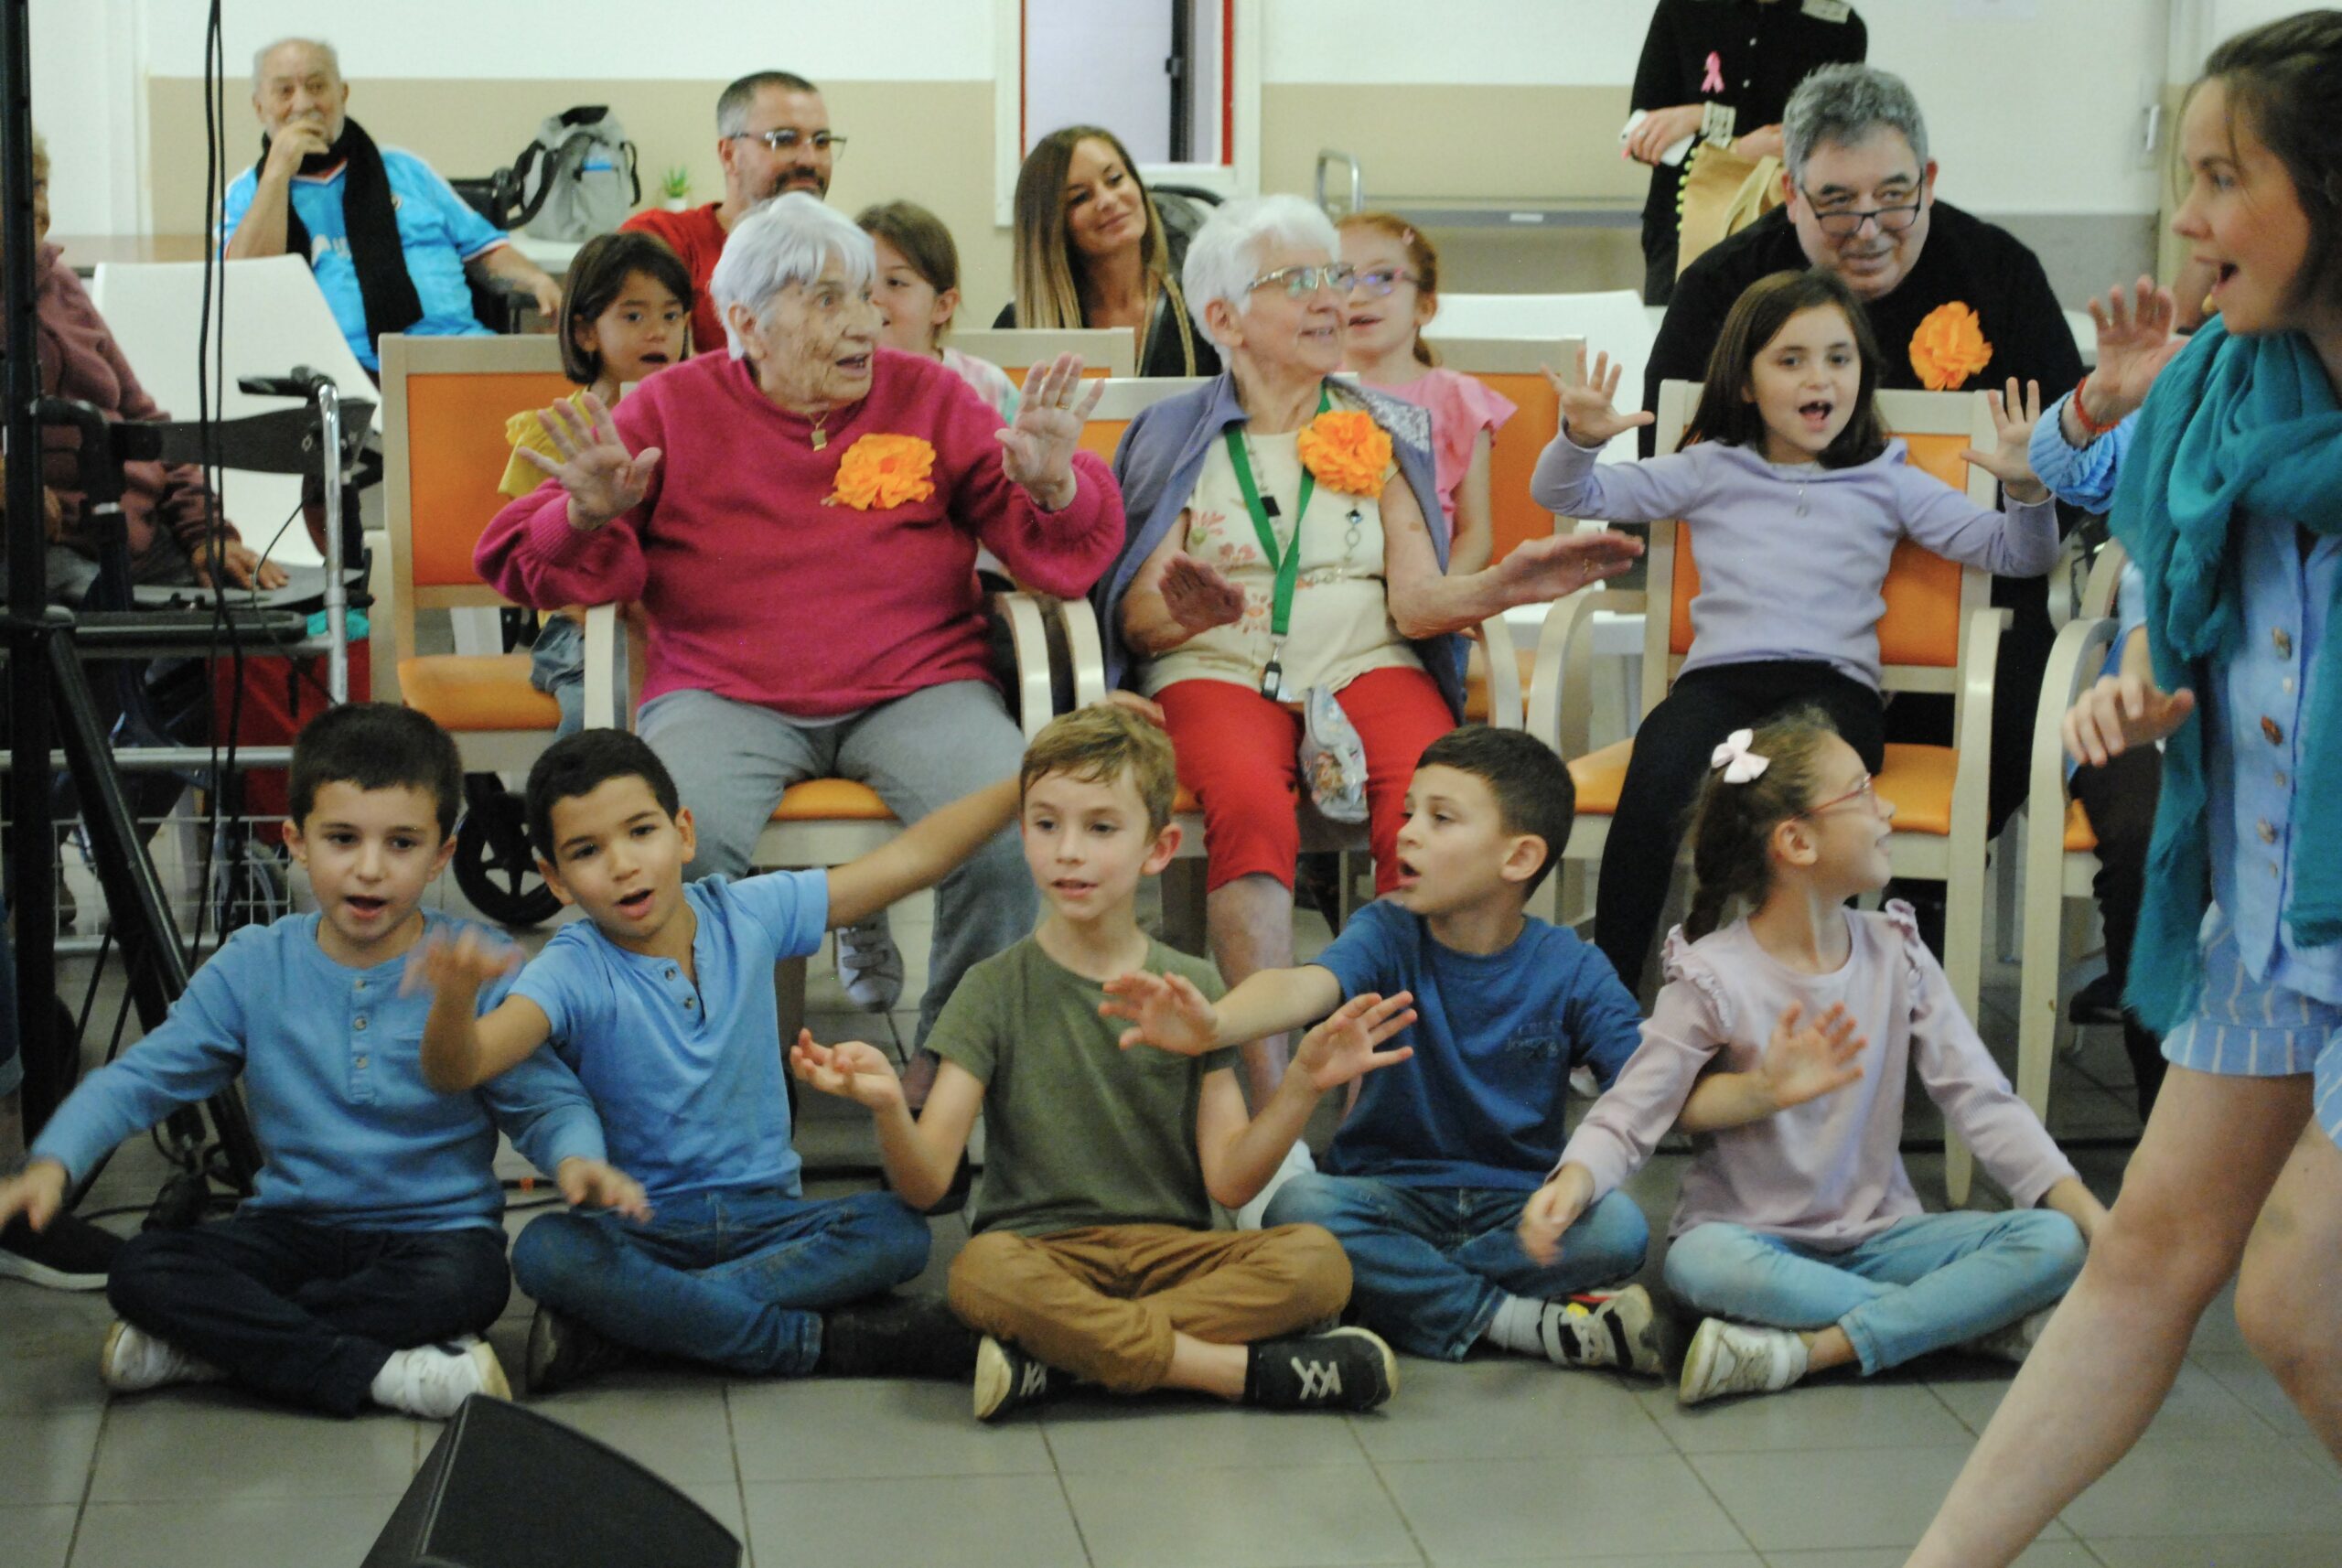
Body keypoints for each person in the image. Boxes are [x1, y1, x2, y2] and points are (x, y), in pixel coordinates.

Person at [1907, 17, 2342, 1562]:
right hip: (2276, 900)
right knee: (2150, 1248)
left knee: (2294, 1291)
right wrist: (2147, 661)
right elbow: (2148, 528)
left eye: (2227, 179)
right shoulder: (2226, 389)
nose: (2190, 221)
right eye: (2186, 176)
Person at [476, 194, 1123, 1093]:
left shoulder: (930, 395)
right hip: (720, 690)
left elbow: (1056, 554)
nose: (864, 323)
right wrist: (586, 513)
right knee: (664, 854)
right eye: (827, 301)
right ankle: (704, 1093)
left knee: (1020, 833)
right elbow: (516, 554)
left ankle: (952, 1076)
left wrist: (1055, 485)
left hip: (919, 687)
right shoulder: (668, 407)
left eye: (866, 295)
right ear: (744, 322)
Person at [1093, 194, 1643, 1101]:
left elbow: (1419, 601)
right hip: (1218, 667)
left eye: (1333, 277)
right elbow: (1136, 620)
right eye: (1296, 281)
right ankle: (1271, 1093)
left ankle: (1401, 1091)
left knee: (1434, 808)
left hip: (1367, 661)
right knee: (1248, 806)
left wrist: (1509, 582)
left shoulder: (1383, 426)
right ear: (1222, 316)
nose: (1329, 300)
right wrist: (1178, 615)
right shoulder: (1174, 434)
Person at [0, 705, 645, 1416]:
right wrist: (54, 1162)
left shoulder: (473, 964)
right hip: (288, 1231)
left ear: (440, 854)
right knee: (140, 1270)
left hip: (435, 1238)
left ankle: (217, 1346)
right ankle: (381, 1373)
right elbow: (141, 1078)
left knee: (471, 1287)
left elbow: (543, 1099)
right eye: (342, 838)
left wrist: (579, 1158)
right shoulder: (254, 964)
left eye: (402, 843)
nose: (369, 869)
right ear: (296, 840)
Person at [790, 703, 1404, 1421]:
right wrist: (891, 1107)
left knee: (1318, 1264)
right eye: (1046, 825)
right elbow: (928, 1187)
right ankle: (1232, 1371)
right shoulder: (990, 988)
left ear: (1160, 846)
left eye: (1101, 827)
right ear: (1022, 834)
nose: (1068, 851)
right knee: (979, 1274)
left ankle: (1060, 1359)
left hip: (1178, 1255)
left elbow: (1232, 1182)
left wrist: (1298, 1085)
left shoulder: (1193, 989)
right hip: (1039, 1256)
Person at [411, 727, 1032, 1394]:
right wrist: (454, 998)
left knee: (900, 1232)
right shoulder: (570, 968)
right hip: (640, 1229)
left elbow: (914, 859)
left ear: (683, 833)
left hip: (769, 1217)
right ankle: (814, 1342)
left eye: (640, 832)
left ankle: (634, 1325)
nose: (622, 864)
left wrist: (1029, 783)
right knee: (544, 1251)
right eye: (587, 852)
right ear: (556, 880)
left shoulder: (749, 911)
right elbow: (462, 1067)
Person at [1525, 709, 2106, 1407]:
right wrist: (1577, 1178)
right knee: (1697, 1265)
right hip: (1749, 1242)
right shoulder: (1712, 973)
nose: (1886, 806)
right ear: (1796, 841)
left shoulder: (1898, 951)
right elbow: (1633, 1108)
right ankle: (1960, 1325)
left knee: (2052, 1242)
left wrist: (2086, 1215)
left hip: (1886, 1237)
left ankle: (1814, 1349)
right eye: (1862, 793)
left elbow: (1981, 1098)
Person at [1533, 270, 2056, 994]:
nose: (1821, 379)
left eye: (1839, 359)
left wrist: (2028, 490)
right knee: (1655, 778)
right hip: (1719, 684)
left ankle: (1794, 1000)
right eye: (1791, 360)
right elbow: (1567, 493)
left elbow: (2017, 554)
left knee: (1801, 797)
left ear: (1863, 375)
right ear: (1745, 383)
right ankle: (1611, 1009)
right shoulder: (1710, 467)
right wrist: (1578, 440)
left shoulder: (1887, 475)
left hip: (1832, 692)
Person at [1103, 725, 1662, 1375]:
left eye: (1441, 818)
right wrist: (1216, 1025)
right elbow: (1303, 987)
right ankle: (1517, 1321)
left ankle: (1396, 1294)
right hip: (1382, 1197)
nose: (1407, 834)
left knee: (1620, 1227)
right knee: (1303, 1209)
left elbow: (1648, 1081)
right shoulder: (1386, 930)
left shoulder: (1572, 966)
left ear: (1518, 858)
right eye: (1408, 814)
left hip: (1515, 1206)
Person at [1645, 64, 2085, 837]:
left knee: (2024, 683)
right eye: (1837, 204)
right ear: (1790, 191)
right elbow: (1667, 450)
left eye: (1894, 196)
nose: (1871, 228)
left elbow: (2071, 465)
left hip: (1968, 589)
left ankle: (1929, 906)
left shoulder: (1998, 273)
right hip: (1777, 611)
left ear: (1930, 179)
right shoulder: (1725, 288)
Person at [2025, 277, 2192, 1120]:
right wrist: (2102, 396)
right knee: (2141, 837)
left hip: (2269, 701)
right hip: (2138, 689)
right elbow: (2061, 465)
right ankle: (2161, 1106)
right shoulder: (2192, 380)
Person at [23, 131, 281, 598]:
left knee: (249, 613)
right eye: (9, 191)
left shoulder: (59, 282)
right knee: (101, 617)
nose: (33, 207)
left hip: (138, 530)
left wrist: (204, 530)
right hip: (47, 543)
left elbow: (144, 420)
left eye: (37, 185)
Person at [221, 38, 562, 375]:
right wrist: (276, 174)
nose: (303, 103)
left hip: (459, 355)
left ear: (342, 93)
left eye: (317, 86)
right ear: (259, 107)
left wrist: (535, 280)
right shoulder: (247, 194)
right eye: (284, 92)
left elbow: (484, 250)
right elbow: (244, 288)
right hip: (343, 377)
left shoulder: (405, 169)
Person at [498, 230, 692, 736]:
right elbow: (534, 562)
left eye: (672, 316)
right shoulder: (553, 433)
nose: (658, 332)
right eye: (634, 316)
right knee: (597, 718)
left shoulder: (700, 421)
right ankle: (585, 811)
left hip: (676, 626)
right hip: (581, 630)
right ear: (585, 332)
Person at [1626, 0, 1867, 306]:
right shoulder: (1683, 7)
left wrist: (1700, 119)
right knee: (1682, 342)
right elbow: (1644, 135)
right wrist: (1735, 145)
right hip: (1682, 227)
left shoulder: (1839, 25)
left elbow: (1821, 138)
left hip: (1785, 229)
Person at [622, 70, 839, 358]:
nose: (810, 159)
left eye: (822, 141)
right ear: (728, 154)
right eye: (784, 139)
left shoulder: (844, 255)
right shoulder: (666, 239)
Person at [1337, 212, 1510, 573]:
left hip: (1423, 598)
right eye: (1340, 278)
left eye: (1382, 278)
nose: (1355, 296)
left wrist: (1433, 600)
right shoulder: (1306, 389)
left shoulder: (1459, 400)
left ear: (1425, 307)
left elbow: (1476, 537)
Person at [993, 125, 1219, 379]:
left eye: (1115, 180)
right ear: (1050, 227)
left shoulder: (1204, 308)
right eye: (1080, 197)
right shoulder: (1017, 328)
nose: (1108, 200)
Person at [859, 200, 1018, 422]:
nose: (872, 299)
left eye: (895, 282)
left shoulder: (986, 385)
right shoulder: (837, 384)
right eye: (859, 283)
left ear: (942, 305)